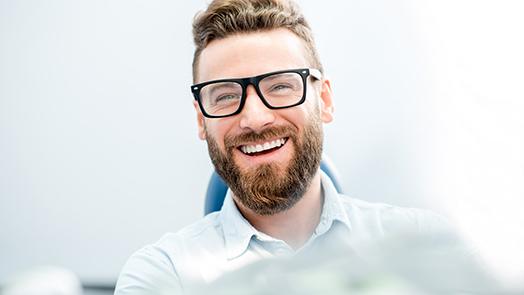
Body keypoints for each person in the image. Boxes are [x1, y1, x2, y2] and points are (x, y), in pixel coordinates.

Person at [114, 0, 454, 294]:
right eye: (226, 95)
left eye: (279, 86)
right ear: (202, 120)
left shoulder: (424, 244)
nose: (255, 118)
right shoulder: (164, 274)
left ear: (324, 99)